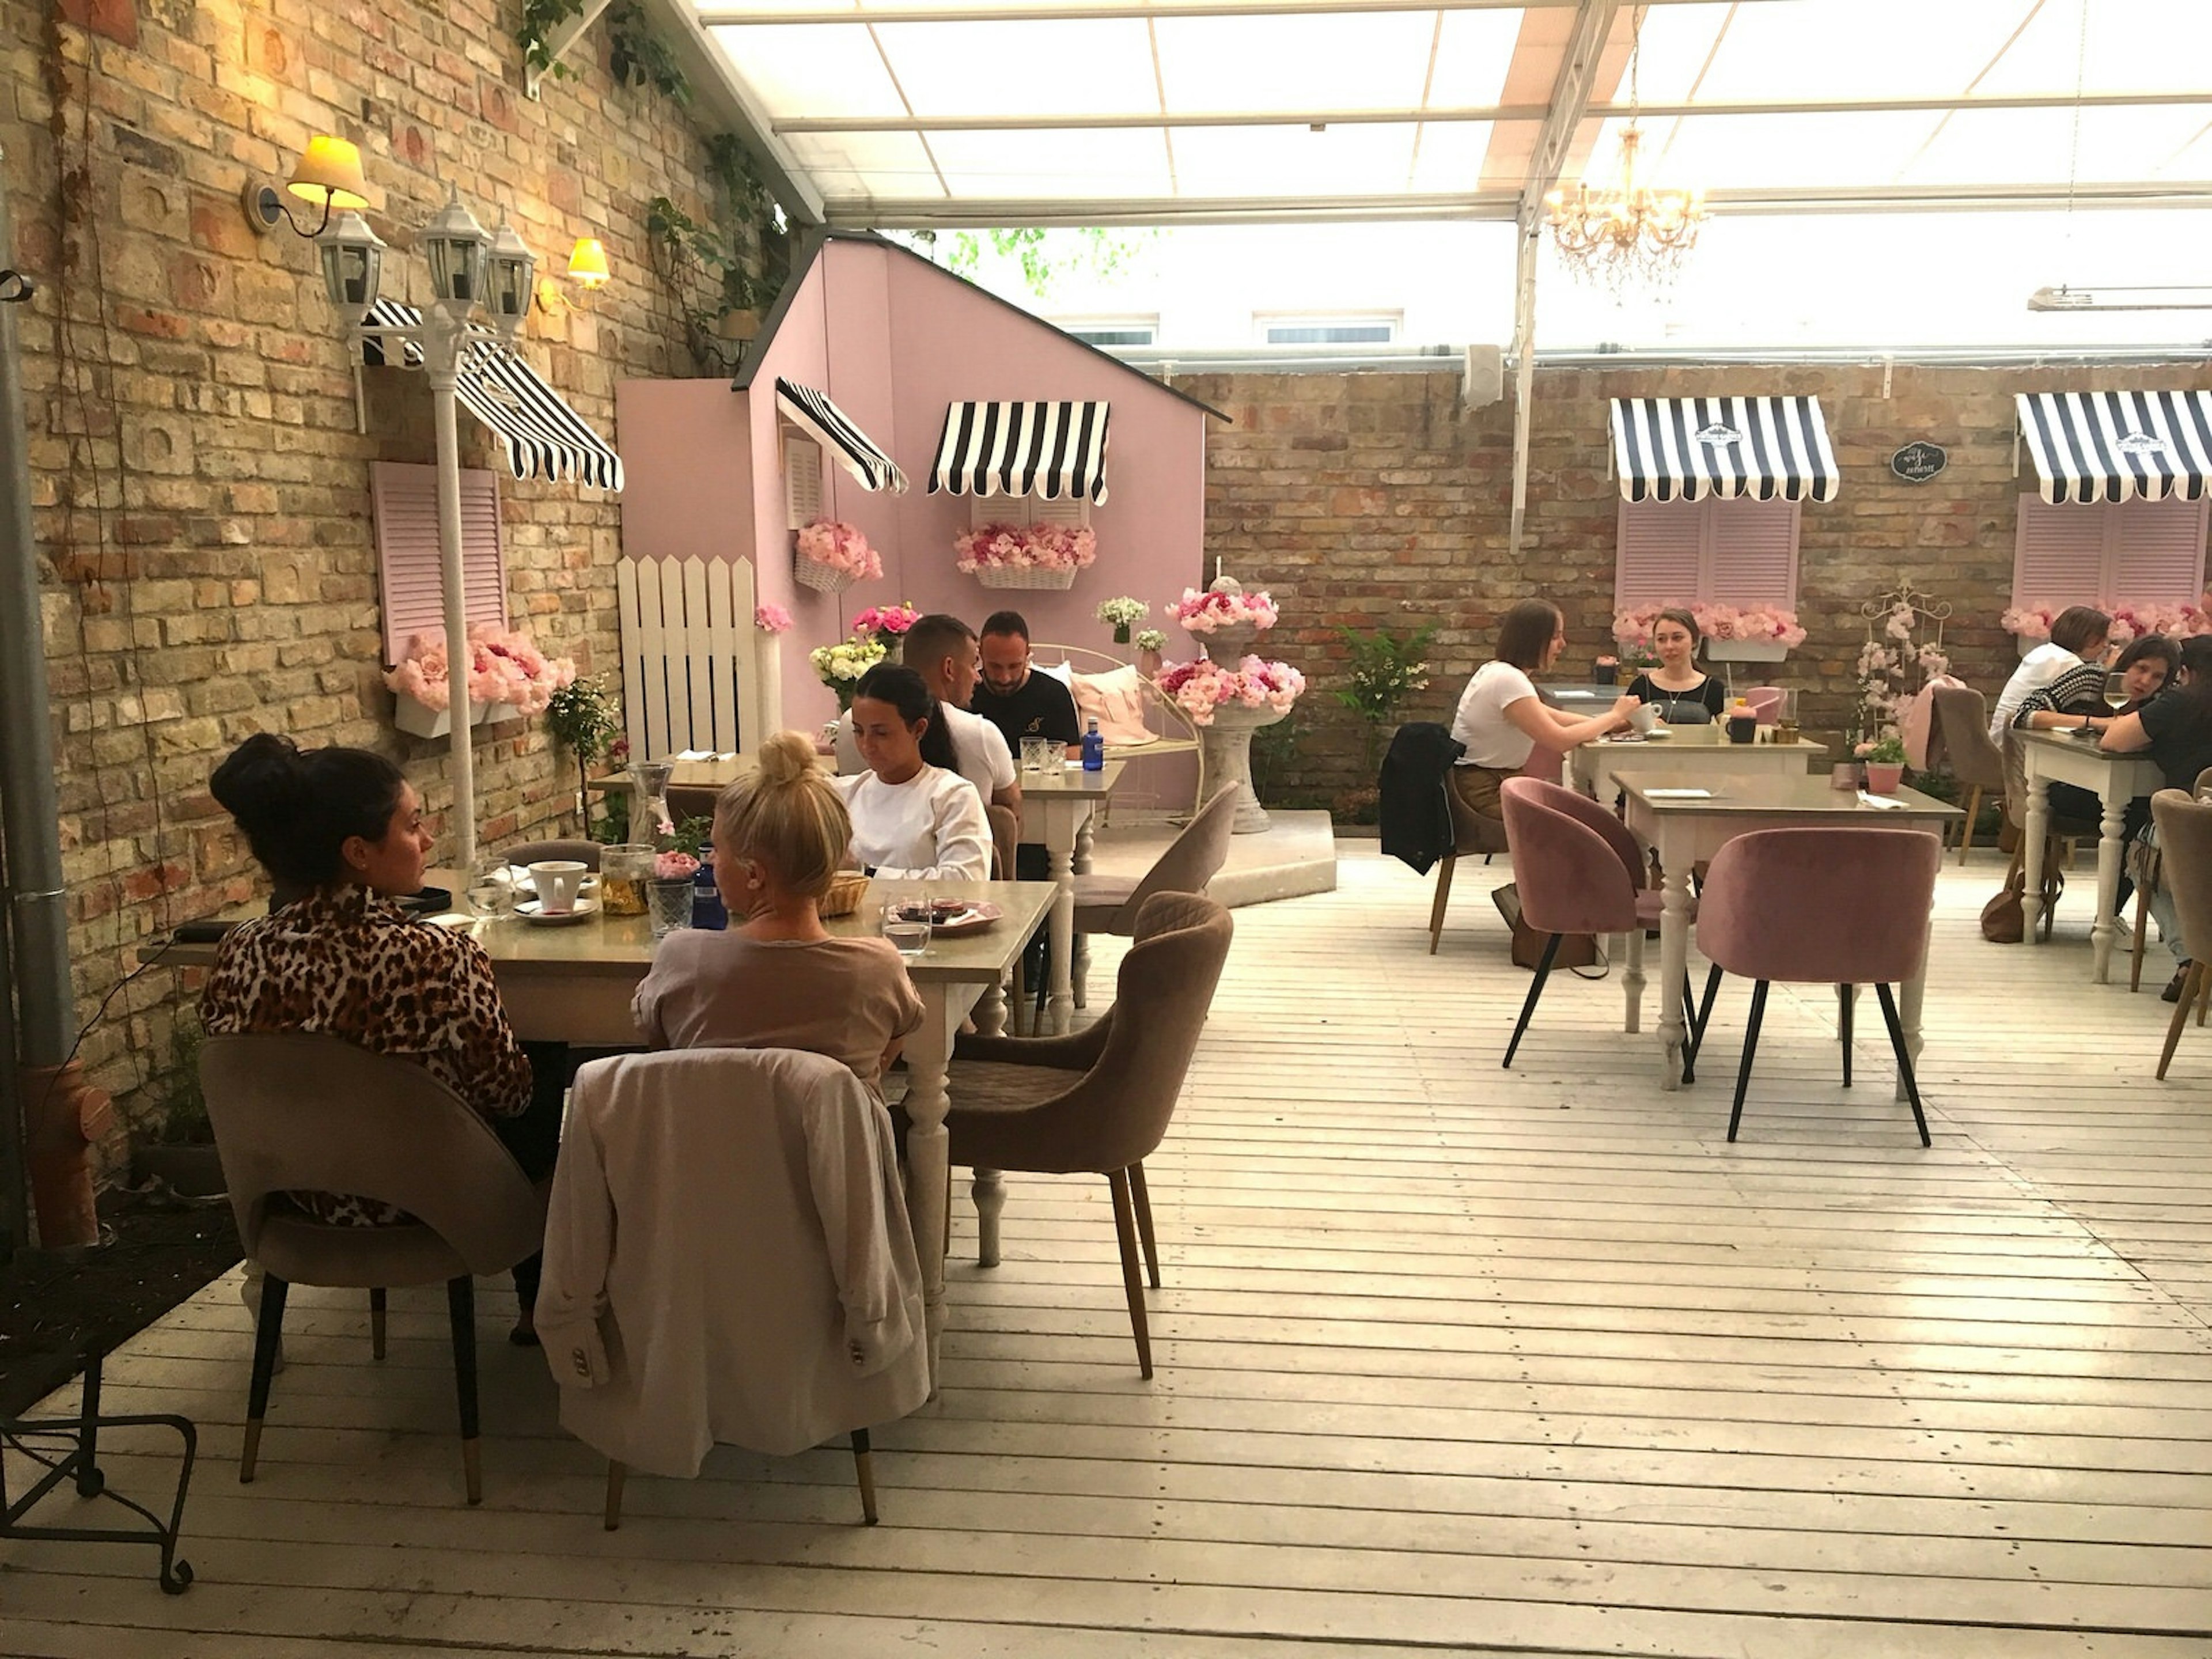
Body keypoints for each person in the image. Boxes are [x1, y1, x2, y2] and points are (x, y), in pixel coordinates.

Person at [200, 734, 556, 1343]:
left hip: (295, 1207)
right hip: (433, 1209)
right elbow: (510, 1094)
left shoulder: (238, 951)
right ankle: (544, 1307)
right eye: (413, 825)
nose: (426, 840)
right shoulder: (435, 955)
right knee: (558, 1073)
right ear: (359, 852)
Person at [632, 730, 924, 1090]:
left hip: (713, 1144)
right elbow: (887, 1053)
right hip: (834, 1145)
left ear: (754, 874)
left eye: (717, 851)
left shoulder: (682, 958)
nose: (711, 861)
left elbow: (663, 1057)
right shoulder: (878, 969)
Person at [1447, 599, 1639, 825]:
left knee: (1579, 811)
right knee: (1575, 821)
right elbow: (1560, 740)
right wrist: (1614, 716)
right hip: (1483, 790)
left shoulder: (1497, 671)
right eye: (1556, 637)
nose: (1563, 645)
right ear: (1534, 639)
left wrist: (1615, 725)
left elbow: (1551, 715)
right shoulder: (1508, 680)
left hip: (1491, 781)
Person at [2101, 635, 2212, 1001]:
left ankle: (2191, 959)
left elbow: (2115, 740)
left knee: (2141, 860)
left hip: (2195, 826)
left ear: (2184, 673)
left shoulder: (2182, 701)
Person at [840, 613, 1019, 820]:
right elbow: (1010, 814)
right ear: (949, 668)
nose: (978, 677)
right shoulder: (980, 733)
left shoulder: (847, 722)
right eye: (973, 665)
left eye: (880, 733)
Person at [834, 664, 993, 880]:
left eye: (881, 733)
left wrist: (868, 874)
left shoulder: (952, 795)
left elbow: (966, 880)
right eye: (859, 732)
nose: (866, 745)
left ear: (919, 729)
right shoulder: (842, 794)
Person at [970, 609, 1082, 760]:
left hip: (1040, 783)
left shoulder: (1054, 694)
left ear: (1027, 653)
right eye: (995, 666)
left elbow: (1072, 759)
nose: (1005, 678)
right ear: (980, 653)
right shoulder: (965, 693)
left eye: (1014, 666)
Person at [1991, 605, 2110, 740]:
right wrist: (2111, 671)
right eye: (2101, 638)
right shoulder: (2066, 662)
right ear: (2085, 636)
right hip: (2017, 743)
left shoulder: (2045, 652)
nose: (2106, 645)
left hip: (2000, 739)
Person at [1623, 608, 1728, 724]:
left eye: (1677, 638)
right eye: (1661, 639)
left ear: (1694, 641)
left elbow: (1727, 731)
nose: (1669, 646)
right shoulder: (1641, 686)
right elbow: (1618, 727)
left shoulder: (1713, 688)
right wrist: (1639, 724)